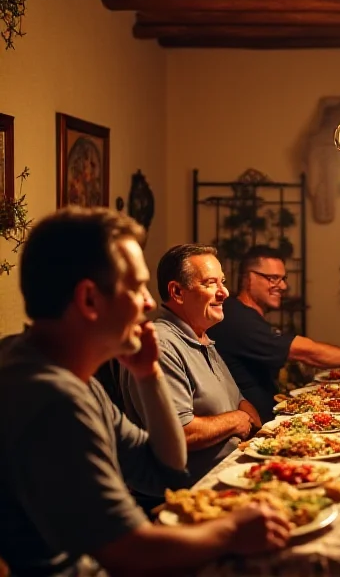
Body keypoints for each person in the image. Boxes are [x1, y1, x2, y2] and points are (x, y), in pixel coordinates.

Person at [0, 208, 289, 576]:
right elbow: (128, 551)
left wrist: (148, 375)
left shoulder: (65, 373)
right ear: (89, 300)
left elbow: (164, 468)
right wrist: (232, 530)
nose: (150, 303)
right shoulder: (49, 396)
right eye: (135, 287)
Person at [119, 244, 261, 483]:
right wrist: (236, 420)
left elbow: (241, 402)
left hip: (236, 473)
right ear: (177, 292)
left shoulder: (202, 338)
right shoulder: (161, 344)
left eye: (222, 281)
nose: (224, 292)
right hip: (195, 492)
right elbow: (180, 434)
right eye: (210, 283)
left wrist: (249, 422)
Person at [207, 245, 340, 421]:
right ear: (248, 278)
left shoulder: (244, 315)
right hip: (258, 428)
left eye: (283, 278)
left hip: (274, 416)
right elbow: (306, 352)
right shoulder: (238, 318)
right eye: (273, 278)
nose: (283, 285)